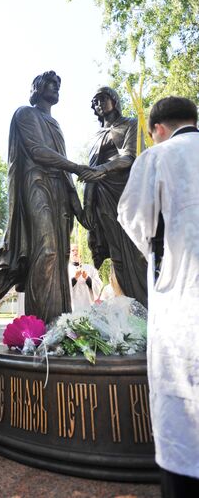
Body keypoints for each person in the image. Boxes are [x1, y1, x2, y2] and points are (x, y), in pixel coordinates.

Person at [117, 96, 199, 496]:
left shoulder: (158, 157)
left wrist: (158, 253)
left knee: (184, 428)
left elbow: (135, 219)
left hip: (185, 305)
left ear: (158, 130)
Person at [0, 70, 82, 323]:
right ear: (37, 88)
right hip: (37, 184)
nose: (55, 88)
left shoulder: (55, 124)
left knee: (62, 257)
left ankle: (61, 322)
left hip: (59, 192)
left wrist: (77, 204)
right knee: (47, 251)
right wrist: (76, 167)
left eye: (58, 85)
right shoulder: (25, 113)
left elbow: (64, 170)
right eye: (50, 84)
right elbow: (37, 150)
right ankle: (39, 323)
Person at [75, 86, 148, 307]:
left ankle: (144, 305)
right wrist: (87, 206)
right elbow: (91, 172)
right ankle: (127, 307)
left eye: (102, 99)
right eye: (95, 101)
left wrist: (101, 170)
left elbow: (130, 156)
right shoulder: (96, 137)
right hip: (102, 198)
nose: (98, 104)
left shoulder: (130, 124)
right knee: (117, 253)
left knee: (134, 251)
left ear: (114, 101)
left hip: (125, 193)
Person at [68, 243, 102, 310]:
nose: (75, 252)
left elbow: (99, 286)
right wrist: (75, 278)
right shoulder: (66, 270)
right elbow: (62, 289)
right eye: (73, 250)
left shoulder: (90, 268)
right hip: (73, 308)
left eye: (77, 250)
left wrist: (87, 278)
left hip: (89, 306)